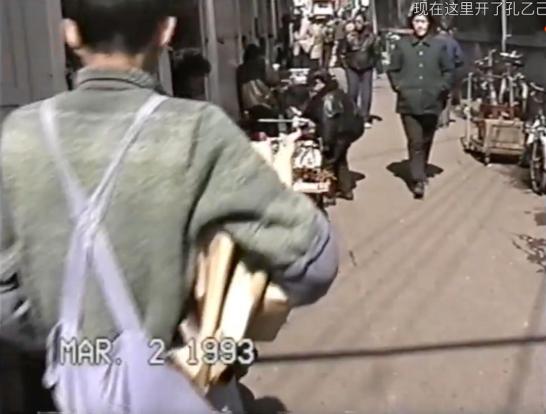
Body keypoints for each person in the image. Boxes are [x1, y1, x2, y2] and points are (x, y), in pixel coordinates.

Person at [0, 0, 339, 412]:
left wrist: (76, 345)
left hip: (71, 389)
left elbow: (6, 300)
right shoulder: (196, 130)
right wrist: (224, 325)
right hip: (181, 383)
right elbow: (315, 263)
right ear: (166, 32)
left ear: (69, 33)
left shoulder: (21, 135)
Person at [387, 10, 454, 199]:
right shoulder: (402, 45)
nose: (420, 25)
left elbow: (449, 71)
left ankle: (421, 167)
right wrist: (399, 87)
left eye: (423, 21)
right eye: (417, 21)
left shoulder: (439, 46)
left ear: (429, 23)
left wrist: (441, 88)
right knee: (415, 141)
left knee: (426, 139)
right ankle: (418, 180)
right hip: (408, 103)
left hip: (432, 102)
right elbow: (392, 70)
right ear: (412, 24)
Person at [304, 69, 364, 200]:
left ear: (320, 82)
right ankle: (346, 189)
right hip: (348, 132)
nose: (312, 89)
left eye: (314, 85)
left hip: (338, 134)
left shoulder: (327, 100)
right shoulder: (338, 92)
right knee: (340, 159)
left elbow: (328, 124)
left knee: (328, 162)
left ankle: (328, 192)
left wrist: (326, 143)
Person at [338, 13, 381, 129]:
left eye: (360, 21)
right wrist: (345, 65)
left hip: (367, 67)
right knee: (352, 91)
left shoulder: (371, 37)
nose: (358, 24)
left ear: (364, 22)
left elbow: (376, 52)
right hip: (352, 67)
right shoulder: (349, 36)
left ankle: (364, 117)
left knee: (366, 93)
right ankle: (352, 116)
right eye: (356, 21)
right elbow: (341, 52)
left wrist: (375, 65)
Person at [236, 44, 280, 136]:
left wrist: (242, 110)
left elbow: (239, 91)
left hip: (249, 105)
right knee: (271, 125)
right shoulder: (263, 63)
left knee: (256, 129)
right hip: (264, 101)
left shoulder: (240, 69)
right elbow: (273, 80)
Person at [436, 23, 465, 128]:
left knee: (434, 97)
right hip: (449, 73)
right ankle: (445, 121)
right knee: (447, 96)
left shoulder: (432, 41)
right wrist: (453, 64)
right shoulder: (453, 42)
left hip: (434, 73)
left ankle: (436, 120)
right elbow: (460, 58)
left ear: (438, 29)